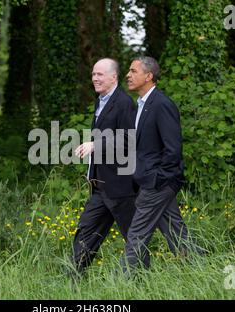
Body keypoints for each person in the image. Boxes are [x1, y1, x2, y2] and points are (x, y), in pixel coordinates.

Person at [122, 56, 201, 272]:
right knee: (176, 232)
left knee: (137, 233)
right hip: (150, 180)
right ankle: (200, 269)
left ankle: (121, 284)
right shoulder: (140, 105)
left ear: (148, 76)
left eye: (133, 71)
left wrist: (157, 180)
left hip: (157, 183)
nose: (128, 75)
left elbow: (173, 149)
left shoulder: (162, 104)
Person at [72, 58, 137, 277]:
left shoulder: (124, 103)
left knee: (134, 239)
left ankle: (142, 282)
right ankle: (72, 280)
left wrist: (96, 145)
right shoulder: (100, 101)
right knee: (86, 231)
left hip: (121, 187)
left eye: (100, 74)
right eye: (93, 74)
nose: (95, 79)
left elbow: (129, 141)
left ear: (113, 77)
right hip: (100, 187)